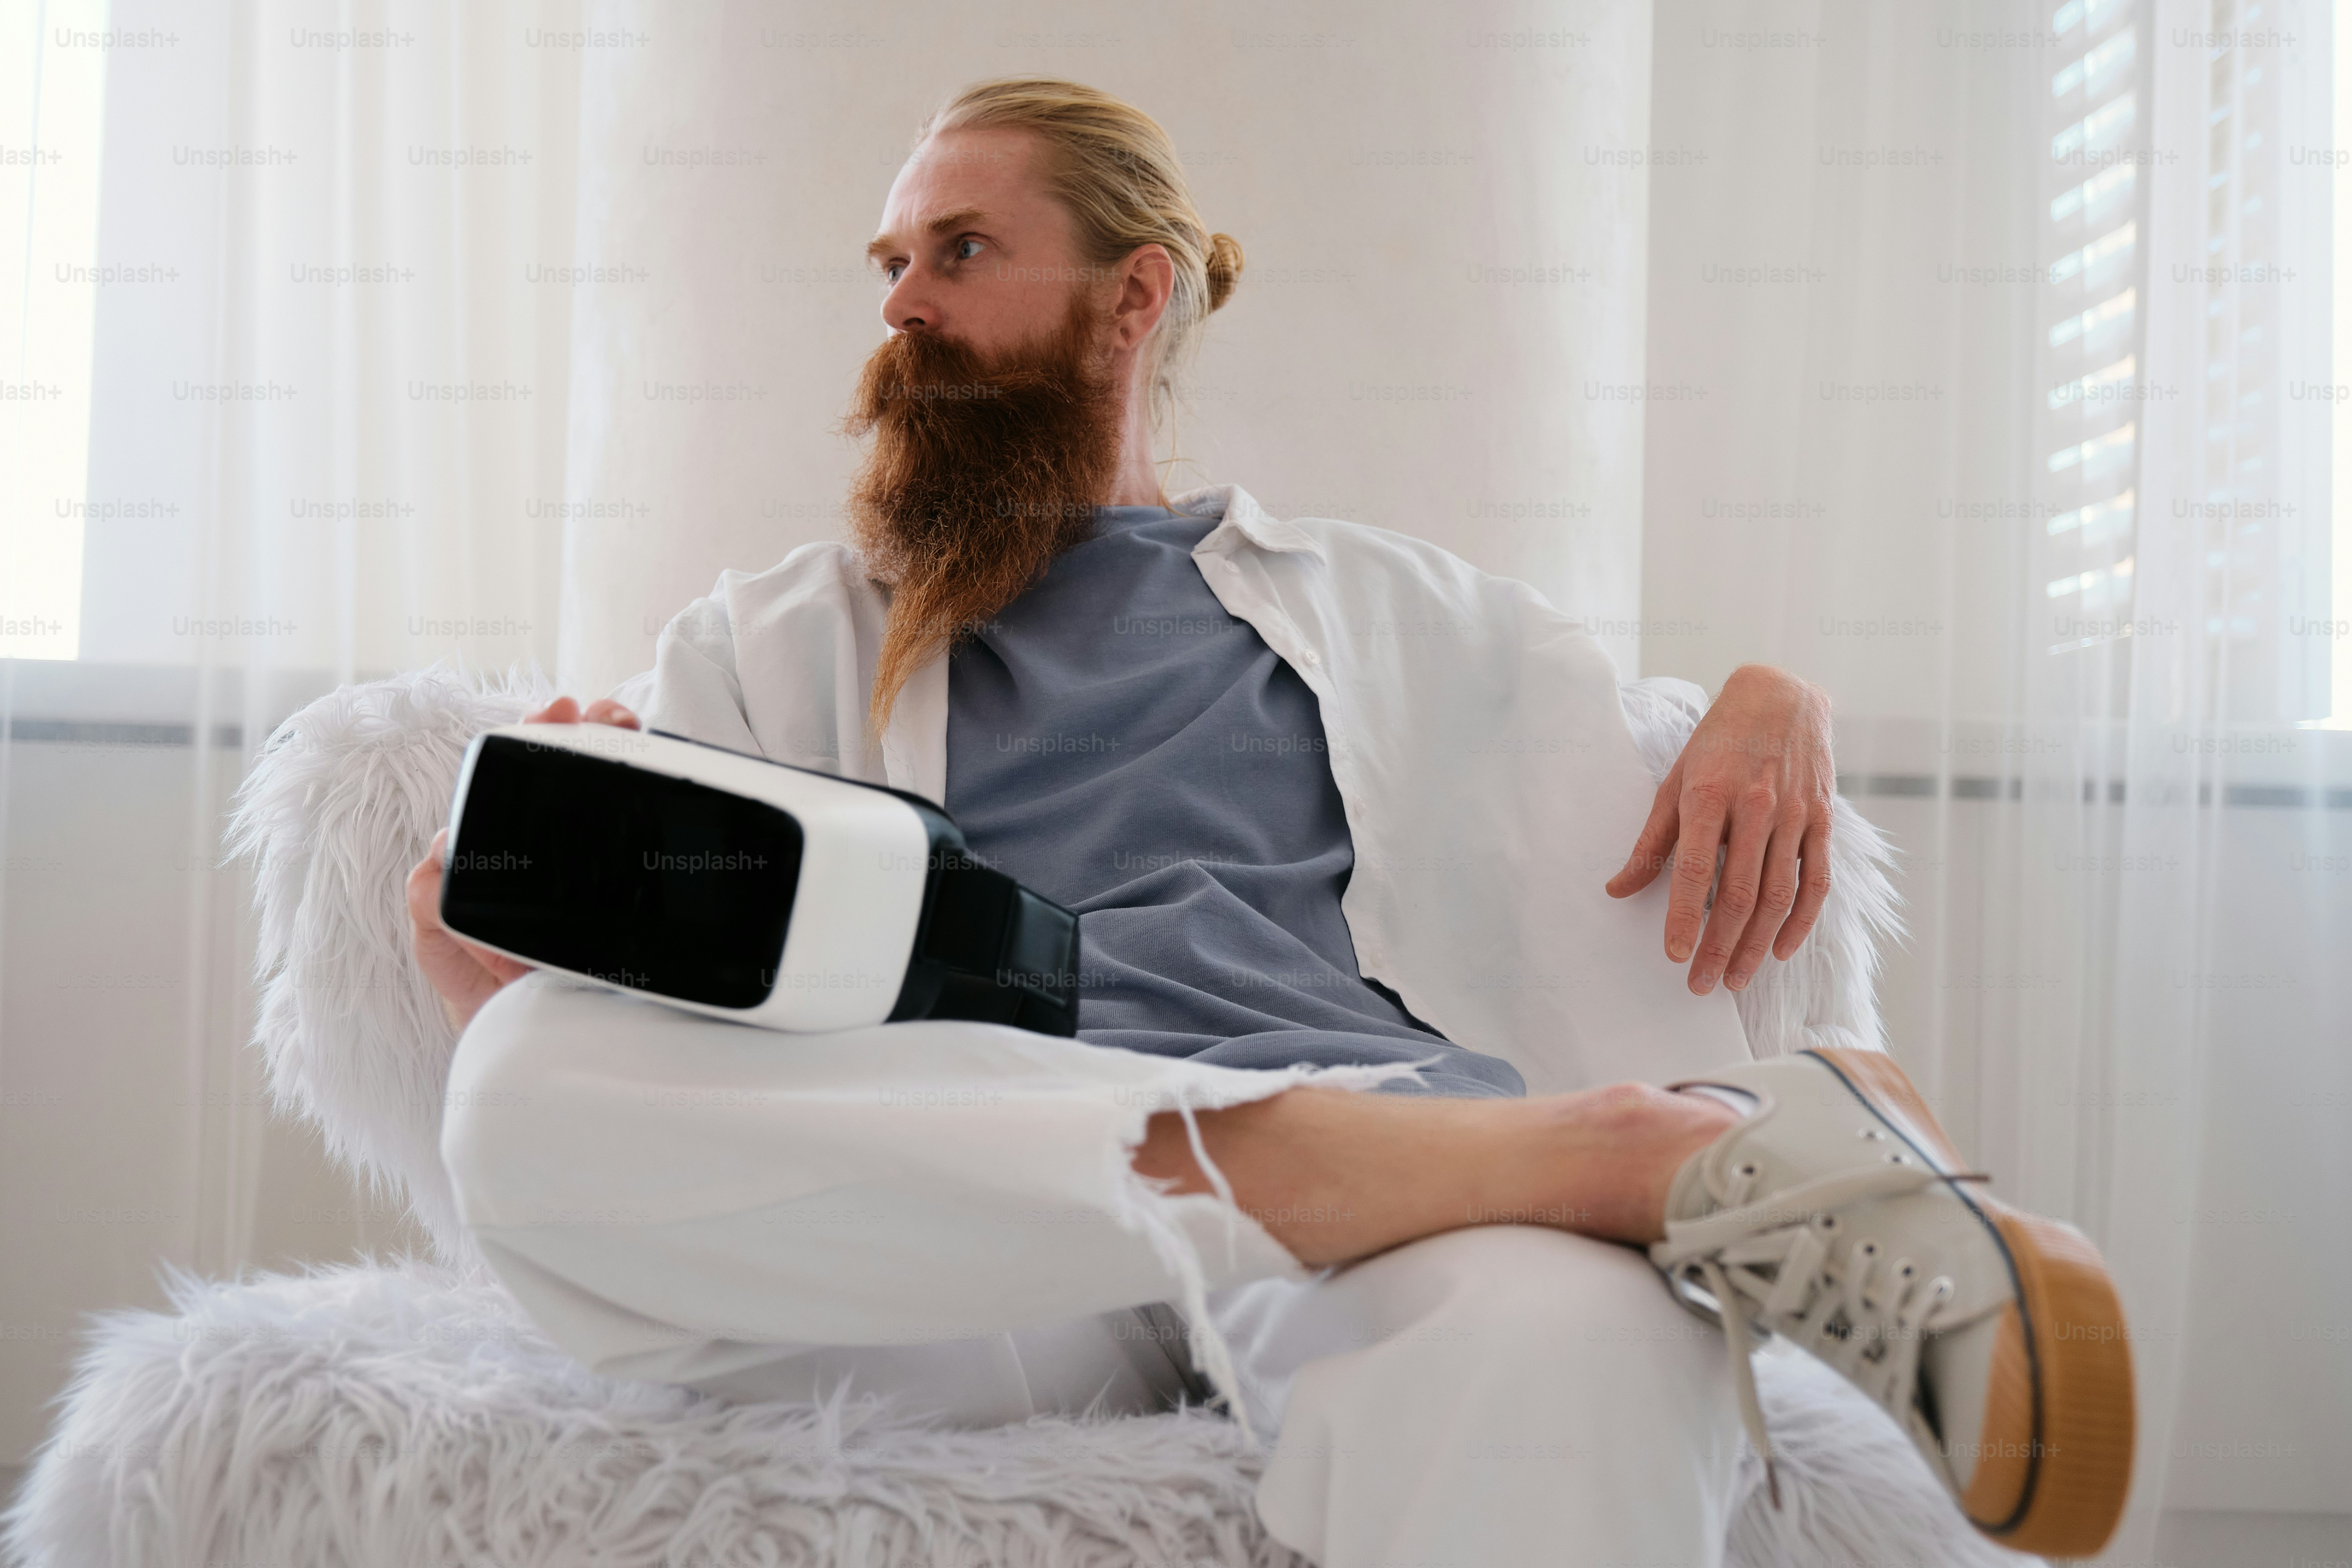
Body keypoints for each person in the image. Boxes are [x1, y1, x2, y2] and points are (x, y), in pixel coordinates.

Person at [407, 77, 2132, 1566]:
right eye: (890, 265)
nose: (901, 306)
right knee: (522, 1083)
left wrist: (1775, 696)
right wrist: (488, 953)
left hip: (1408, 1200)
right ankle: (1616, 1152)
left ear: (1128, 296)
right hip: (986, 1236)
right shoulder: (764, 641)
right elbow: (690, 1047)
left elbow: (1620, 779)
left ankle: (1518, 1165)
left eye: (959, 250)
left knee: (1581, 1347)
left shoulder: (1409, 611)